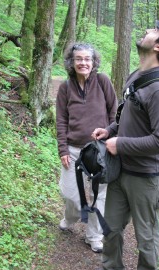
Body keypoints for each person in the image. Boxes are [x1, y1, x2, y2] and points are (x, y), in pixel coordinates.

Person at [87, 21, 159, 270]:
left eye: (154, 30)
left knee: (146, 234)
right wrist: (110, 130)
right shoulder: (137, 74)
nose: (147, 30)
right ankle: (111, 268)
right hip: (122, 169)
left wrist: (121, 144)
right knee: (113, 226)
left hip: (147, 177)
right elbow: (128, 117)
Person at [56, 43, 117, 253]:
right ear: (72, 62)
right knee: (70, 193)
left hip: (99, 150)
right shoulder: (65, 87)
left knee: (99, 195)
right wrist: (62, 149)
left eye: (87, 59)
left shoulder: (103, 81)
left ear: (94, 62)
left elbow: (114, 112)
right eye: (79, 59)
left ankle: (94, 236)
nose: (83, 63)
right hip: (73, 150)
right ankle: (71, 216)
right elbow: (61, 120)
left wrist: (109, 132)